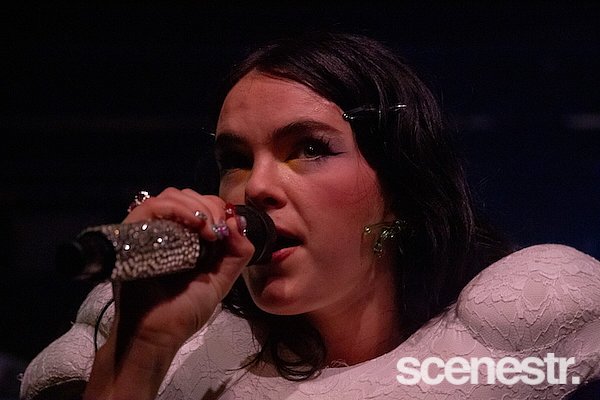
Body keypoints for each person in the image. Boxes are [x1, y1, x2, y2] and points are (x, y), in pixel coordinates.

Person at [20, 31, 600, 399]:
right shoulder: (163, 343)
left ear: (400, 185)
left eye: (309, 149)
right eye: (235, 160)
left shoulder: (517, 321)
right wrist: (143, 349)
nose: (257, 187)